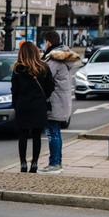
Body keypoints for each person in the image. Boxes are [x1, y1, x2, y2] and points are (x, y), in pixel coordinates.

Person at [39, 30, 80, 174]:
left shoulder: (54, 59)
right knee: (55, 132)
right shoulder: (63, 58)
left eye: (45, 43)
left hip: (54, 102)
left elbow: (44, 76)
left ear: (48, 43)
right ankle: (57, 162)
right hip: (61, 101)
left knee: (52, 133)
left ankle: (54, 163)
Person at [11, 41, 55, 173]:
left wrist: (16, 104)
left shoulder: (18, 69)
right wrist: (43, 97)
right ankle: (34, 163)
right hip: (38, 105)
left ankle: (23, 163)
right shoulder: (43, 67)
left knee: (23, 135)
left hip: (23, 105)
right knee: (36, 135)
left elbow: (14, 89)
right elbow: (51, 86)